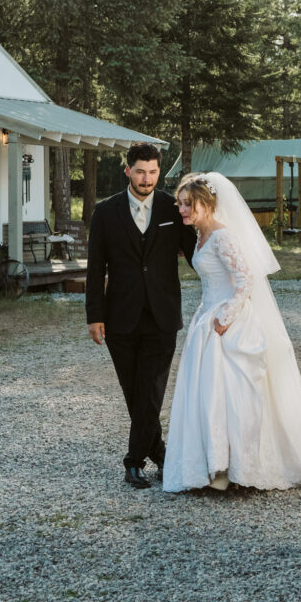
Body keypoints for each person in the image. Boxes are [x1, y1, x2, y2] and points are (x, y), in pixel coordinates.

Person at [162, 171, 301, 492]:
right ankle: (216, 466)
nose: (181, 209)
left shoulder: (223, 236)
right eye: (180, 204)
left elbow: (245, 281)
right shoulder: (201, 235)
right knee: (210, 396)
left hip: (229, 323)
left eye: (187, 204)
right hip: (208, 320)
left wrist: (225, 317)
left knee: (234, 396)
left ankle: (241, 469)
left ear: (206, 204)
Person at [86, 142, 196, 488]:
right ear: (127, 171)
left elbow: (196, 253)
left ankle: (133, 462)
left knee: (151, 391)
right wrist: (94, 315)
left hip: (162, 315)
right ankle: (161, 454)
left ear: (159, 172)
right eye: (140, 171)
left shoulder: (171, 208)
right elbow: (94, 269)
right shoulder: (105, 213)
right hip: (119, 316)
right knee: (134, 391)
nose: (146, 179)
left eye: (152, 172)